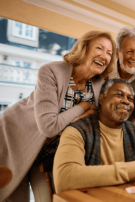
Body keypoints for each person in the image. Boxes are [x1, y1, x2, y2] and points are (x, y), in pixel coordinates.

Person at [0, 30, 117, 202]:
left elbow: (94, 123)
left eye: (109, 53)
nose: (104, 56)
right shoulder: (51, 71)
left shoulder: (99, 85)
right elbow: (49, 126)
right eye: (99, 48)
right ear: (84, 49)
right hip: (16, 140)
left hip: (49, 155)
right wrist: (82, 107)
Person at [53, 79, 135, 193]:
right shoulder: (76, 131)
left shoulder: (133, 131)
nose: (126, 101)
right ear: (102, 99)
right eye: (119, 95)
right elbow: (65, 178)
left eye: (130, 99)